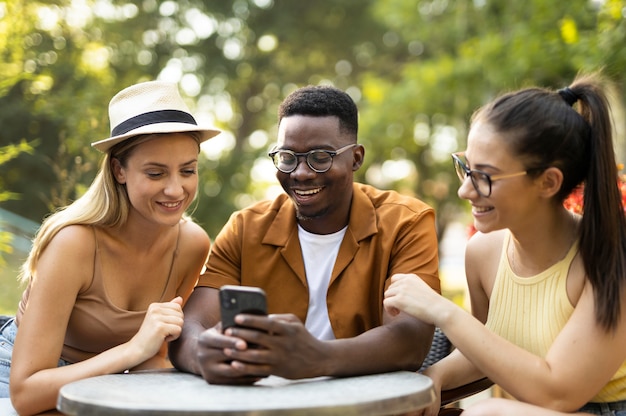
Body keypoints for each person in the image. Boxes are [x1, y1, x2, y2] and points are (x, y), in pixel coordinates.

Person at [384, 72, 626, 416]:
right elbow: (488, 350)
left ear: (547, 182)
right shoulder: (483, 252)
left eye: (483, 177)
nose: (465, 190)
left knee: (489, 414)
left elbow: (559, 394)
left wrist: (443, 311)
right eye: (465, 167)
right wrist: (434, 377)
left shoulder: (607, 260)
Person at [169, 85, 440, 384]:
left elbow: (411, 340)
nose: (300, 173)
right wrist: (201, 354)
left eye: (320, 157)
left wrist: (318, 358)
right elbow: (191, 325)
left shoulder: (406, 222)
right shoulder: (246, 228)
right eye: (287, 157)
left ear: (356, 158)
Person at [0, 80, 221, 415]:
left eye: (187, 171)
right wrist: (131, 351)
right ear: (119, 170)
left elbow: (152, 357)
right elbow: (27, 394)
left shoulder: (192, 245)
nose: (176, 189)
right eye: (155, 173)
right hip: (21, 378)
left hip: (107, 382)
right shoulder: (74, 243)